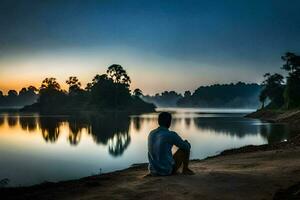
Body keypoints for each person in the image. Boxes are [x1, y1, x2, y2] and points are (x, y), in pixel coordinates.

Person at [148, 112, 194, 176]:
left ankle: (158, 167)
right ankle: (185, 170)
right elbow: (187, 147)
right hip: (166, 171)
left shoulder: (151, 133)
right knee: (185, 147)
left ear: (158, 122)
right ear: (169, 122)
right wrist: (187, 143)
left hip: (153, 171)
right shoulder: (171, 135)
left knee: (164, 153)